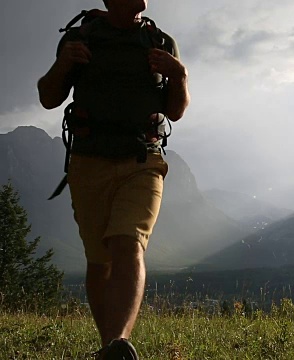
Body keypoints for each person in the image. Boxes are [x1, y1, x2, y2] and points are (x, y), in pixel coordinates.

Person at [37, 0, 189, 358]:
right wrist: (64, 63)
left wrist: (180, 76)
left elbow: (176, 111)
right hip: (89, 163)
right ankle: (111, 350)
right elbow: (47, 97)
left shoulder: (159, 41)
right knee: (99, 260)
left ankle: (119, 341)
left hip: (144, 161)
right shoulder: (80, 39)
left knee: (129, 242)